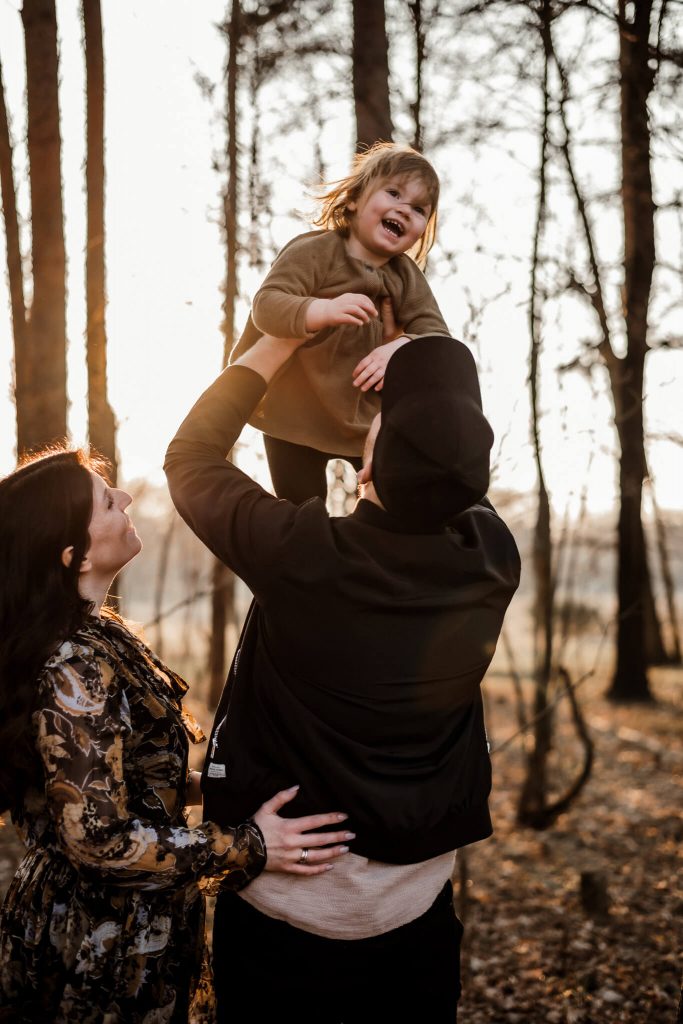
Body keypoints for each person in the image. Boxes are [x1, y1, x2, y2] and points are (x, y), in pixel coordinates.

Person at [164, 331, 521, 1021]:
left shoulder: (305, 556)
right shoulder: (490, 558)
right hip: (417, 911)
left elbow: (190, 457)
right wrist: (427, 354)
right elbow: (452, 457)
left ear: (365, 469)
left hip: (287, 920)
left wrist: (274, 343)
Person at [0, 448, 353, 1023]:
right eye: (105, 500)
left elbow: (116, 780)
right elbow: (99, 841)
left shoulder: (96, 636)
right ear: (74, 554)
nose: (126, 498)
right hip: (98, 942)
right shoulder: (76, 665)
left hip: (131, 925)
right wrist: (249, 844)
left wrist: (223, 785)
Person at [230, 141, 450, 504]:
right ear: (354, 199)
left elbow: (437, 336)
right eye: (393, 193)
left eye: (418, 208)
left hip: (362, 422)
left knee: (394, 498)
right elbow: (267, 306)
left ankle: (375, 549)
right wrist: (321, 310)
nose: (404, 209)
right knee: (301, 509)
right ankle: (306, 555)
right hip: (293, 415)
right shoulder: (316, 251)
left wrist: (401, 346)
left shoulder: (405, 276)